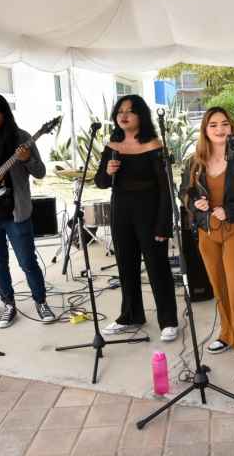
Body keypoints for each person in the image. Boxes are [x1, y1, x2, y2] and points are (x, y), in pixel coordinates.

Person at [180, 107, 234, 379]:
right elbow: (184, 192)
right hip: (208, 232)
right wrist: (195, 202)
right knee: (219, 288)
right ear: (205, 130)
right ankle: (228, 334)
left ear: (232, 128)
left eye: (225, 124)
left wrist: (231, 209)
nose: (220, 129)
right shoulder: (196, 161)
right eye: (213, 125)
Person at [94, 95, 179, 342]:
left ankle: (168, 320)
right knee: (126, 264)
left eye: (129, 111)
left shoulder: (154, 146)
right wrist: (108, 172)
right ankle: (131, 315)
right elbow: (101, 182)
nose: (123, 115)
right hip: (121, 210)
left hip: (150, 211)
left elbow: (166, 189)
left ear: (141, 115)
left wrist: (164, 224)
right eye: (120, 111)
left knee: (157, 266)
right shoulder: (112, 146)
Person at [0, 92, 56, 328]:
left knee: (27, 262)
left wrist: (27, 159)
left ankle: (41, 302)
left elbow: (40, 172)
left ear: (4, 114)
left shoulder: (22, 138)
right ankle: (8, 305)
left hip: (16, 213)